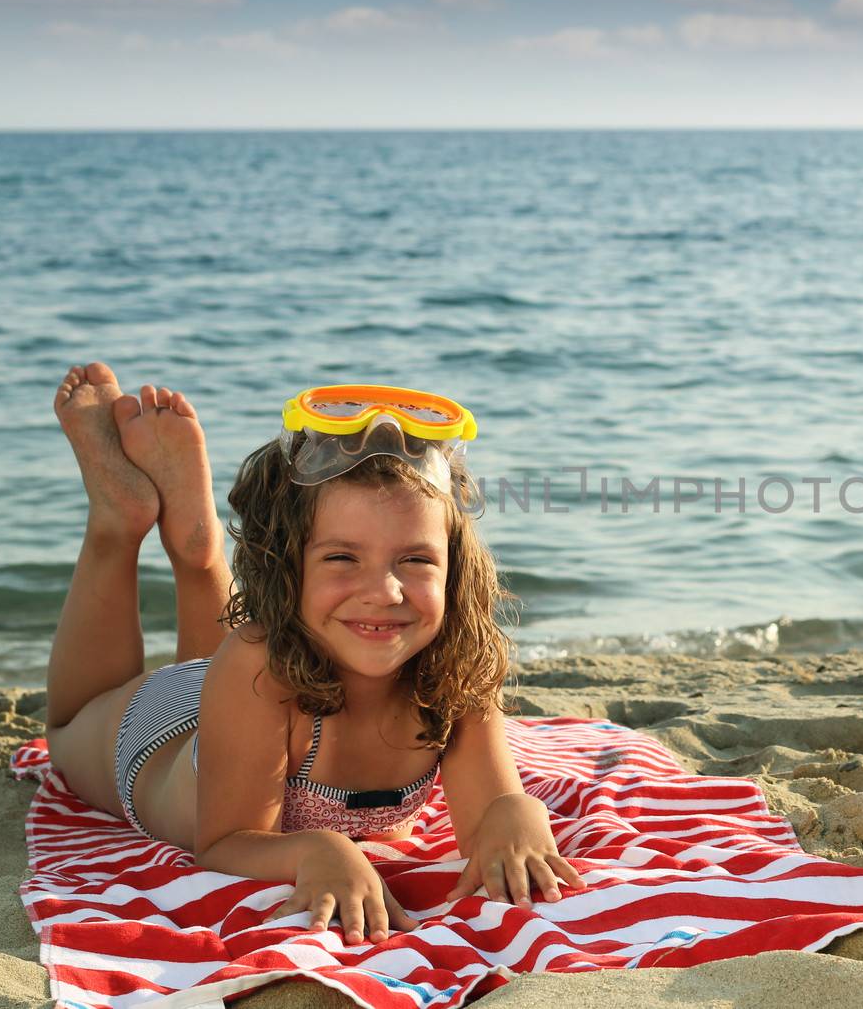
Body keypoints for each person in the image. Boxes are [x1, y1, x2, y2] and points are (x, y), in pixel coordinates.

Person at [43, 362, 584, 947]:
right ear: (286, 564)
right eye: (342, 559)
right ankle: (116, 523)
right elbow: (223, 842)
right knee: (69, 727)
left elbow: (490, 817)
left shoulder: (452, 671)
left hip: (235, 708)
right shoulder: (258, 659)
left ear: (455, 571)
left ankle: (198, 550)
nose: (386, 592)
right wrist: (318, 850)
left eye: (416, 560)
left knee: (229, 662)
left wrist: (516, 814)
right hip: (155, 737)